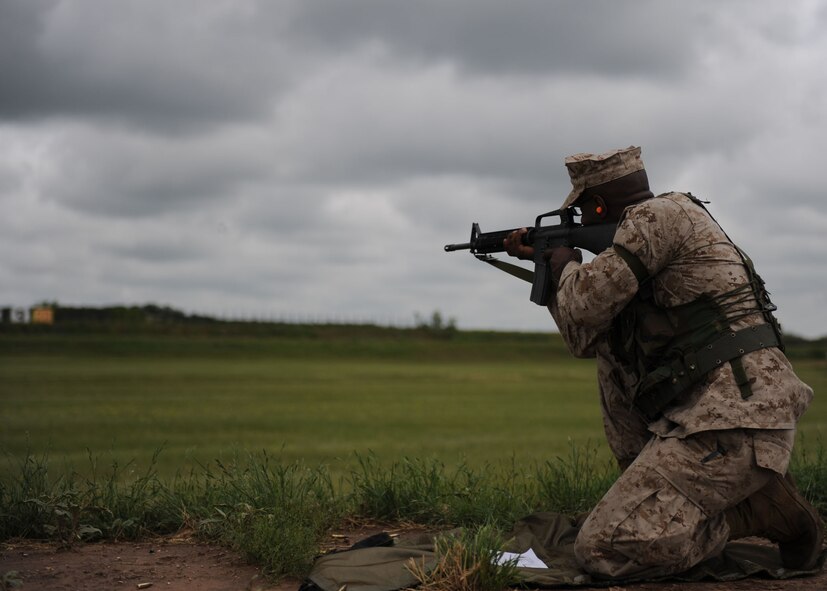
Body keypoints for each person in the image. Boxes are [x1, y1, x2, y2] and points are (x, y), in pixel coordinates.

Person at [503, 146, 823, 579]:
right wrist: (552, 267)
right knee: (611, 355)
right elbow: (583, 335)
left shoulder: (657, 218)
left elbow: (582, 302)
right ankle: (662, 502)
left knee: (600, 550)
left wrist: (565, 267)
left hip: (737, 421)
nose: (582, 223)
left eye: (583, 212)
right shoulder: (658, 232)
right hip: (715, 421)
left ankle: (757, 516)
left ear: (597, 204)